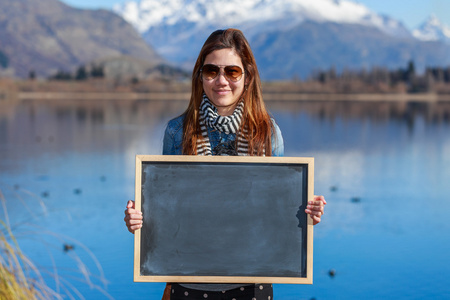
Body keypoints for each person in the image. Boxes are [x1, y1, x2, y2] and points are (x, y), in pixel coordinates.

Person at [124, 28, 327, 300]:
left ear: (247, 77)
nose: (221, 80)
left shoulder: (267, 133)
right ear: (200, 76)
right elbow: (166, 212)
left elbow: (279, 211)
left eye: (232, 71)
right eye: (211, 71)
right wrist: (141, 218)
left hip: (252, 284)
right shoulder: (177, 131)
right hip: (189, 283)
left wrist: (306, 213)